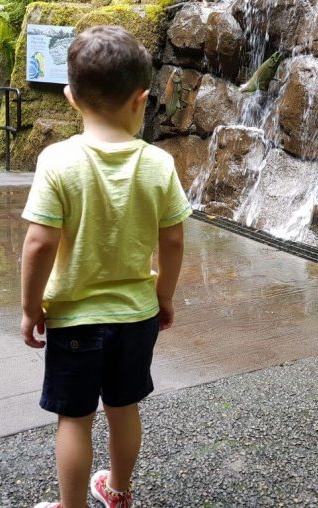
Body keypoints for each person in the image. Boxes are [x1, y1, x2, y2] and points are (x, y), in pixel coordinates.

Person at [21, 25, 191, 508]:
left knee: (74, 418)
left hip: (75, 317)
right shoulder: (158, 164)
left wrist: (30, 308)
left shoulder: (58, 160)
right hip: (136, 317)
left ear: (71, 96)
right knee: (124, 407)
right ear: (141, 100)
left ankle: (71, 505)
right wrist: (164, 296)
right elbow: (174, 237)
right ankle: (118, 492)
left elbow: (38, 244)